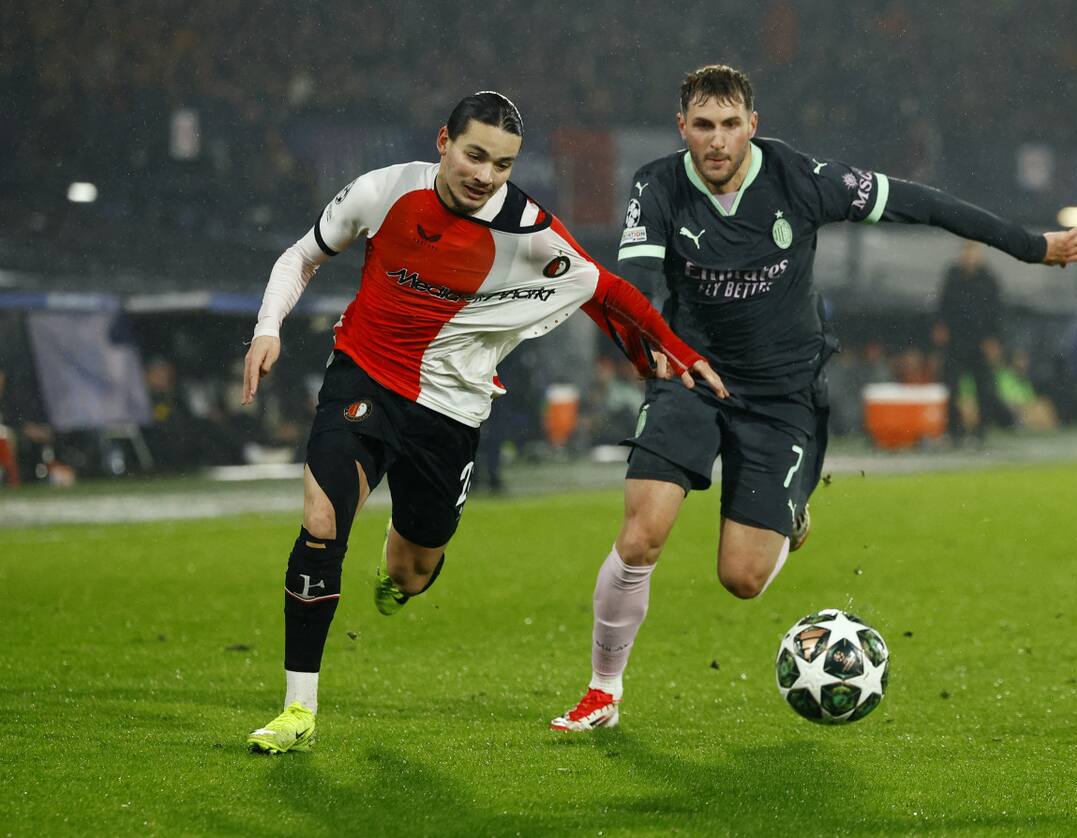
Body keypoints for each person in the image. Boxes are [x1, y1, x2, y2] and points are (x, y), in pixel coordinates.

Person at [551, 65, 1077, 731]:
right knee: (641, 535)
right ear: (682, 129)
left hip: (782, 393)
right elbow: (633, 285)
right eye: (703, 126)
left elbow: (921, 202)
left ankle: (790, 516)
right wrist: (657, 348)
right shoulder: (657, 185)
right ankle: (604, 692)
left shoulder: (802, 180)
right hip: (691, 376)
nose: (717, 141)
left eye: (730, 125)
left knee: (743, 579)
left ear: (753, 126)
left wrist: (1030, 245)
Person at [241, 91, 727, 754]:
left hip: (452, 410)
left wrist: (681, 353)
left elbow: (606, 290)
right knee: (322, 522)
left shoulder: (526, 228)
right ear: (444, 141)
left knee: (414, 569)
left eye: (501, 164)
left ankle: (400, 564)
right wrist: (267, 329)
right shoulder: (383, 191)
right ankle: (298, 710)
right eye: (475, 155)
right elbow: (301, 256)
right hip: (364, 378)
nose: (485, 175)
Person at [932, 241, 1008, 444]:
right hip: (956, 341)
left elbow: (996, 312)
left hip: (980, 341)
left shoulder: (988, 280)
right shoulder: (952, 277)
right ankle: (954, 430)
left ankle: (981, 431)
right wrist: (940, 326)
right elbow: (942, 305)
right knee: (951, 386)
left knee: (983, 387)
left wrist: (994, 339)